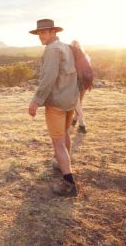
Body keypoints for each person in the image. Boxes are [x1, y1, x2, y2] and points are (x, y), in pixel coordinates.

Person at [28, 19, 79, 196]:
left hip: (57, 102)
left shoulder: (52, 50)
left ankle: (69, 184)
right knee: (65, 134)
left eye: (44, 32)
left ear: (52, 32)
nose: (40, 36)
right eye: (39, 33)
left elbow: (48, 78)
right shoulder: (66, 47)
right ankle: (62, 163)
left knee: (57, 142)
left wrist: (36, 100)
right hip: (70, 100)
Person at [70, 40, 90, 133]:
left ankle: (82, 125)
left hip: (77, 83)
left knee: (76, 104)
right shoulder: (85, 56)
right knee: (78, 104)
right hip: (84, 82)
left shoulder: (73, 56)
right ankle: (74, 122)